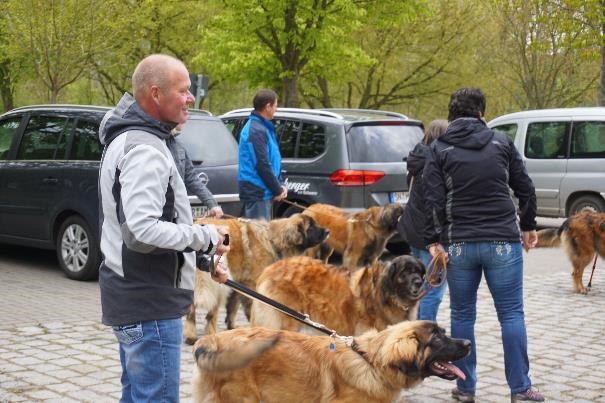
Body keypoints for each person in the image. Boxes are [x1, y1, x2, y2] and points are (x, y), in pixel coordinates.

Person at [97, 54, 230, 403]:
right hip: (149, 304)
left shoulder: (133, 139)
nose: (191, 99)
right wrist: (205, 236)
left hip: (134, 295)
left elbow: (143, 227)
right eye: (183, 91)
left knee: (139, 396)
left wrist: (201, 259)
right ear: (155, 94)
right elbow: (141, 230)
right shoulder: (146, 149)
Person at [423, 88, 544, 402]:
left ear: (451, 115)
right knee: (512, 315)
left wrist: (433, 241)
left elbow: (431, 198)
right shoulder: (500, 142)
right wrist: (529, 226)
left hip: (459, 244)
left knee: (463, 315)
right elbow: (526, 188)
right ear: (481, 113)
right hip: (503, 241)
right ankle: (521, 389)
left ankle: (466, 388)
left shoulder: (438, 148)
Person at [397, 119, 449, 322]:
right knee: (432, 289)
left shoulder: (417, 157)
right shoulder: (437, 162)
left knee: (420, 285)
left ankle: (414, 324)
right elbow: (435, 203)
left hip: (413, 229)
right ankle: (424, 332)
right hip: (430, 233)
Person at [238, 89, 287, 220]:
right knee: (258, 238)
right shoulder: (256, 130)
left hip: (264, 191)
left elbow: (273, 160)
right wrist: (277, 189)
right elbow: (262, 164)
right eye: (275, 105)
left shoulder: (264, 127)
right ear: (268, 106)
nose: (276, 109)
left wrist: (280, 184)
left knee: (263, 236)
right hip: (257, 192)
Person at [168, 123, 223, 218]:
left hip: (175, 218)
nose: (185, 118)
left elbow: (191, 178)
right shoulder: (154, 144)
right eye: (183, 110)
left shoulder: (178, 145)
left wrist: (212, 204)